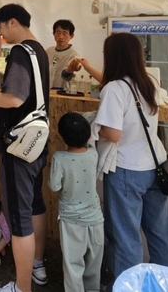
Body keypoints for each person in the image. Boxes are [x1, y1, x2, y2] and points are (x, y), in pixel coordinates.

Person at [0, 4, 50, 292]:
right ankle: (38, 264)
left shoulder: (19, 51)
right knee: (35, 206)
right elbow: (28, 90)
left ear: (12, 22)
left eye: (1, 28)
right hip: (36, 145)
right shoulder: (37, 50)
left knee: (19, 219)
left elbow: (16, 99)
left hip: (17, 148)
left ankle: (21, 287)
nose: (0, 35)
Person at [94, 33, 168, 282]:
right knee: (162, 235)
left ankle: (129, 286)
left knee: (126, 237)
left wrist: (96, 125)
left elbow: (114, 133)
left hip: (126, 170)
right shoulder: (149, 82)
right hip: (156, 165)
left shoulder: (114, 89)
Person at [48, 112, 104, 292]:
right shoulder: (94, 154)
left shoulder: (59, 158)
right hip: (95, 219)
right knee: (94, 265)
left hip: (71, 219)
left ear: (62, 136)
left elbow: (54, 186)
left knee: (73, 265)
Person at [45, 20, 79, 89]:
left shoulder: (74, 55)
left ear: (71, 36)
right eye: (58, 32)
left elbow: (69, 75)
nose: (60, 37)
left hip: (63, 92)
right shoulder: (48, 51)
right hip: (47, 91)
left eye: (65, 33)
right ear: (53, 34)